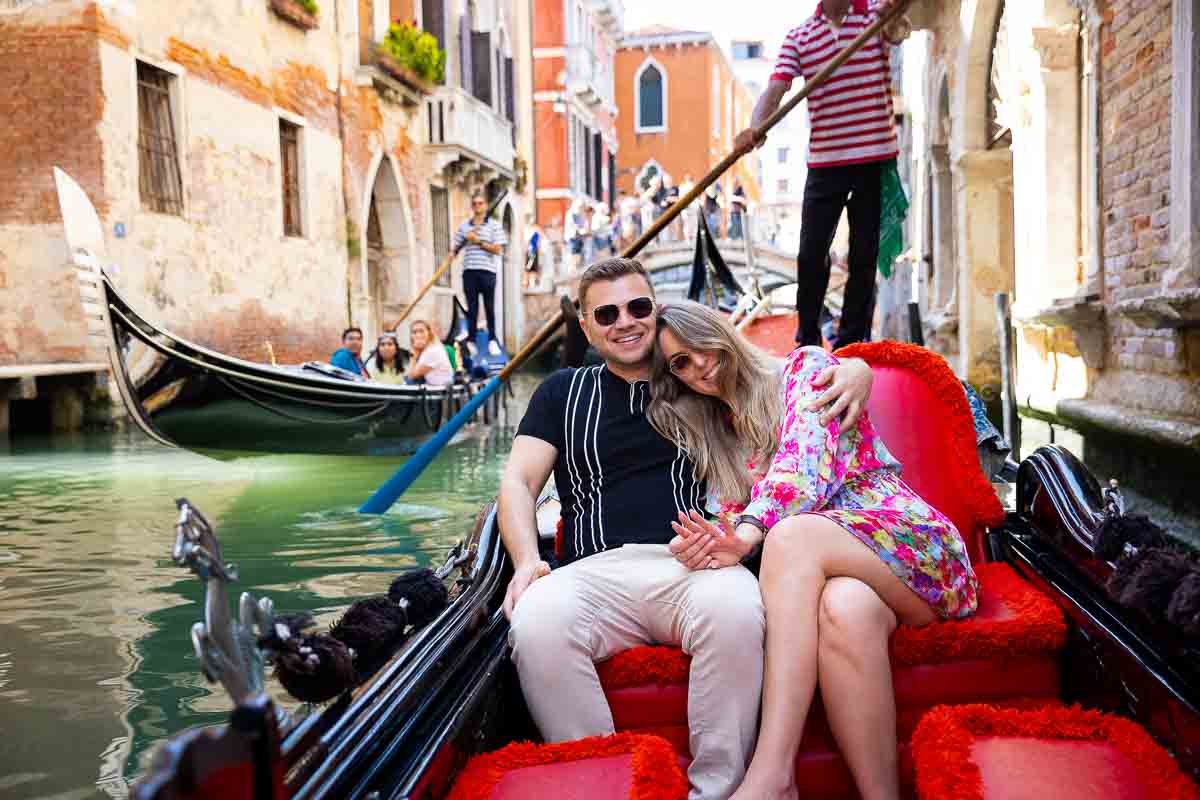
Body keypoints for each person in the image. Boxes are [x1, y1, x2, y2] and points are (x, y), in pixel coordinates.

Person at [498, 258, 876, 800]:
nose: (624, 321)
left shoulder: (695, 378)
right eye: (606, 313)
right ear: (585, 325)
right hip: (591, 571)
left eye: (637, 307)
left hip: (696, 565)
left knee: (736, 611)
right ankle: (607, 786)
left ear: (657, 310)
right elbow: (518, 482)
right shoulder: (561, 392)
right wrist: (525, 562)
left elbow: (774, 378)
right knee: (534, 624)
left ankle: (717, 792)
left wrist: (857, 366)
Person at [646, 300, 978, 800]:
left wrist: (751, 532)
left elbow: (803, 473)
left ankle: (773, 772)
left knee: (791, 535)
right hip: (851, 574)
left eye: (699, 345)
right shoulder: (724, 435)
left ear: (721, 332)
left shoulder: (808, 369)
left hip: (913, 546)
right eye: (680, 364)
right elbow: (735, 514)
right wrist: (703, 541)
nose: (699, 365)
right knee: (845, 609)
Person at [735, 0, 913, 349]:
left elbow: (898, 32)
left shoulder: (875, 16)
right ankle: (807, 338)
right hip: (825, 160)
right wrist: (754, 129)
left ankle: (851, 341)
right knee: (811, 252)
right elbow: (776, 88)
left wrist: (892, 15)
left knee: (864, 254)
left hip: (872, 155)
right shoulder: (800, 37)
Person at [453, 193, 508, 344]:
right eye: (475, 204)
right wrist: (452, 253)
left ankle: (492, 338)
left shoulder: (494, 226)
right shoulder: (464, 227)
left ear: (485, 205)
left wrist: (477, 241)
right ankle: (471, 339)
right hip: (469, 271)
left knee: (489, 306)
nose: (478, 206)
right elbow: (455, 249)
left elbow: (497, 249)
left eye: (481, 203)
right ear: (472, 206)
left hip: (487, 271)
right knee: (472, 307)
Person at [406, 319, 454, 387]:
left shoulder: (433, 351)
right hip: (435, 389)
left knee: (409, 381)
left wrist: (413, 354)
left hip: (440, 392)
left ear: (429, 333)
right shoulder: (429, 349)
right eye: (414, 332)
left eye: (421, 331)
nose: (418, 335)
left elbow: (411, 376)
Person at [523, 226, 542, 290]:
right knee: (530, 268)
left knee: (531, 268)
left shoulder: (534, 234)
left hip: (532, 253)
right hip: (532, 253)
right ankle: (529, 283)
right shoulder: (534, 234)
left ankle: (530, 283)